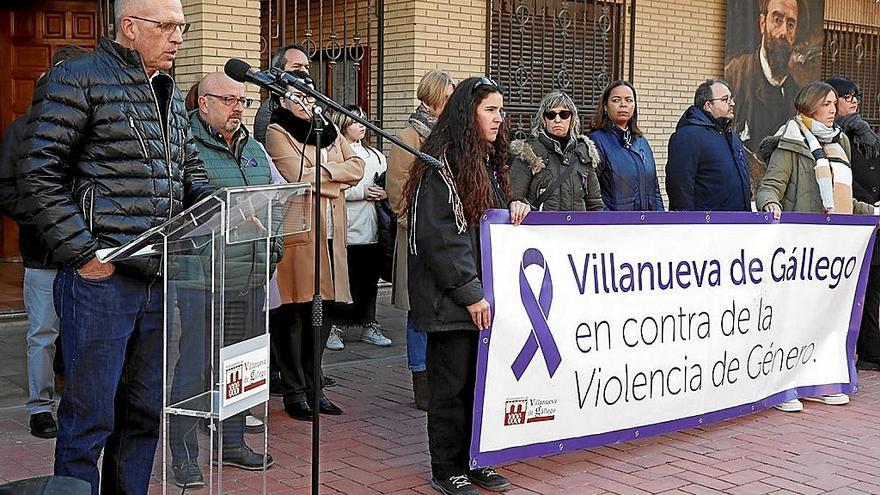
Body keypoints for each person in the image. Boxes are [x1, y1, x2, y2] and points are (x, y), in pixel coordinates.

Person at [16, 0, 214, 492]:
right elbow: (39, 174)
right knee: (89, 416)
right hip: (100, 280)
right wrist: (84, 255)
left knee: (143, 412)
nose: (178, 37)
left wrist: (219, 207)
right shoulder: (77, 78)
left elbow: (190, 169)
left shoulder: (166, 91)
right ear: (130, 27)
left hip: (157, 272)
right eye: (167, 26)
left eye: (182, 27)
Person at [403, 76, 529, 495]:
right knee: (450, 387)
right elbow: (442, 236)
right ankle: (447, 468)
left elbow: (485, 220)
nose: (499, 118)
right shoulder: (442, 162)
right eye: (490, 110)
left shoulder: (488, 160)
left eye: (500, 109)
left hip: (480, 294)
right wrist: (470, 292)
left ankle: (476, 460)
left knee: (480, 384)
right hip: (452, 299)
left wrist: (515, 204)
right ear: (467, 113)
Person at [167, 72, 279, 488]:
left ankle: (231, 441)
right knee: (195, 369)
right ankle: (183, 455)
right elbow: (180, 211)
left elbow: (272, 201)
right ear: (204, 103)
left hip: (250, 275)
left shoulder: (252, 147)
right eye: (229, 100)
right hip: (203, 279)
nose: (238, 108)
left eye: (243, 101)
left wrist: (273, 251)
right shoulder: (185, 146)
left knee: (240, 366)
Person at [756, 81, 874, 412]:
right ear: (809, 107)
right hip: (800, 251)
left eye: (835, 103)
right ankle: (784, 388)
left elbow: (842, 199)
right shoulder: (790, 144)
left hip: (835, 251)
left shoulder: (840, 144)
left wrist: (872, 212)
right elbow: (770, 187)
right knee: (793, 319)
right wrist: (769, 205)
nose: (834, 109)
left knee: (824, 319)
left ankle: (819, 383)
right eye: (827, 103)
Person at [0, 45, 89, 440]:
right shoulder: (21, 130)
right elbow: (6, 188)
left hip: (90, 251)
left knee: (85, 333)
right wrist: (46, 221)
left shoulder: (92, 125)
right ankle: (40, 408)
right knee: (43, 334)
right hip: (43, 253)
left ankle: (84, 403)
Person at [265, 71, 364, 421]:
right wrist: (335, 178)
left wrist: (323, 173)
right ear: (282, 99)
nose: (306, 101)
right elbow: (296, 178)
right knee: (294, 314)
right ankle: (294, 392)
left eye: (310, 95)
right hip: (300, 236)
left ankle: (315, 386)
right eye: (297, 95)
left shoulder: (329, 129)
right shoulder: (276, 131)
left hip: (333, 235)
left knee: (322, 315)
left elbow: (358, 167)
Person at [386, 69, 454, 411]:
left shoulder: (451, 136)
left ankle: (441, 374)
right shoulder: (408, 138)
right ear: (433, 97)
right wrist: (419, 227)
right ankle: (421, 378)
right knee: (418, 311)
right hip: (416, 239)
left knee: (442, 307)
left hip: (447, 237)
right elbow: (397, 192)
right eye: (448, 95)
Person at [326, 105, 392, 350]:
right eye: (355, 121)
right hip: (344, 227)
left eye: (364, 120)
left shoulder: (376, 155)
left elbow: (388, 181)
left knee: (368, 279)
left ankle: (368, 323)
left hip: (372, 227)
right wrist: (360, 191)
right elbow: (333, 184)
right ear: (343, 123)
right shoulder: (332, 151)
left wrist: (385, 192)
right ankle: (334, 326)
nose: (362, 125)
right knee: (342, 278)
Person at [826, 77, 880, 372]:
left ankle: (871, 352)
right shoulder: (828, 137)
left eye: (855, 95)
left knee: (872, 291)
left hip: (873, 224)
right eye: (847, 96)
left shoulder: (867, 136)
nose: (854, 101)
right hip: (847, 224)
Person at [725, 0, 801, 153]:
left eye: (790, 24)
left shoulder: (797, 94)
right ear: (762, 23)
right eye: (777, 20)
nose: (783, 32)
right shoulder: (735, 75)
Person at [508, 90, 603, 212]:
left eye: (564, 114)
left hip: (578, 229)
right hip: (540, 228)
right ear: (544, 119)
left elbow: (595, 204)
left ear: (572, 118)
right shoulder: (529, 152)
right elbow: (514, 197)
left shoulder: (584, 153)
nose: (557, 120)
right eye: (551, 115)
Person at [667, 79, 752, 212]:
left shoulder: (732, 137)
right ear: (708, 105)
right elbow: (680, 188)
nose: (732, 103)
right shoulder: (688, 137)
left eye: (731, 99)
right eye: (725, 99)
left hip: (739, 225)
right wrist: (689, 224)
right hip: (706, 228)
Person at [588, 81, 664, 211]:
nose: (623, 104)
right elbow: (591, 193)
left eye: (629, 100)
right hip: (615, 226)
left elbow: (654, 187)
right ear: (605, 106)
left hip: (647, 225)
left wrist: (660, 219)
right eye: (616, 100)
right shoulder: (596, 141)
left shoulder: (641, 142)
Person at [254, 43, 312, 145]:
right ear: (279, 71)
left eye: (306, 67)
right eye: (297, 67)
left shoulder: (316, 105)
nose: (304, 72)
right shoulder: (270, 110)